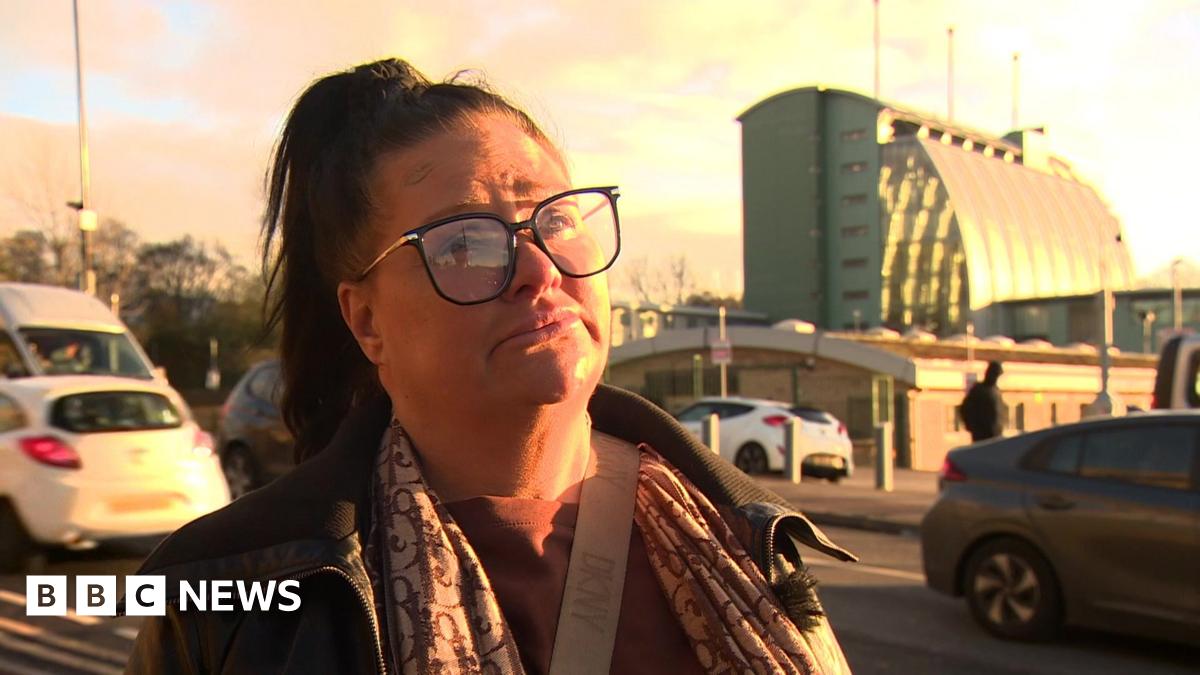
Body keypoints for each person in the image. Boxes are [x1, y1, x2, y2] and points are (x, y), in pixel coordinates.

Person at [126, 59, 853, 674]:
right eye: (464, 243)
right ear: (367, 320)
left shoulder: (744, 539)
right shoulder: (225, 593)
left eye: (558, 219)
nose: (538, 270)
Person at [961, 360, 1006, 442]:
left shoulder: (996, 391)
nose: (995, 378)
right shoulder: (978, 390)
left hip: (996, 437)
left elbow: (999, 413)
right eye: (994, 375)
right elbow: (965, 409)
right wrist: (974, 428)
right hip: (982, 437)